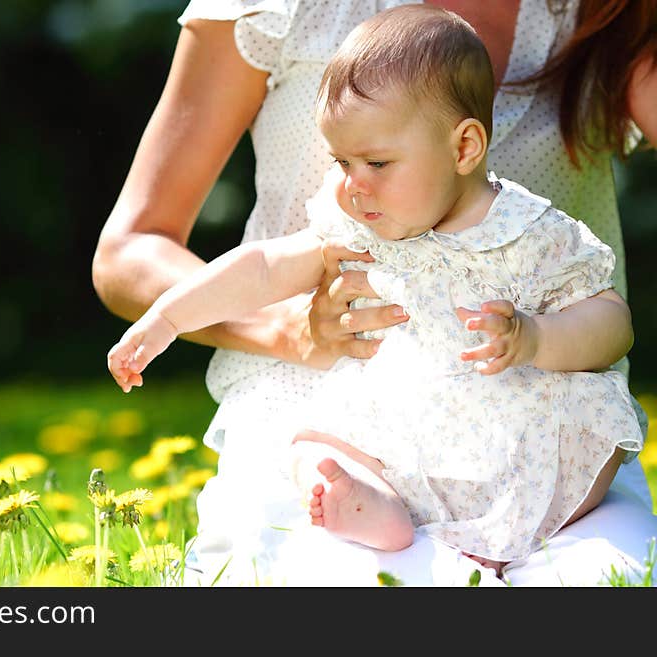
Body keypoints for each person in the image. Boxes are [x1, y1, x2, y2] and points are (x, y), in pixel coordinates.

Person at [92, 0, 657, 586]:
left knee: (614, 580)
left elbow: (610, 319)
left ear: (465, 148)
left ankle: (517, 534)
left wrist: (538, 336)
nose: (351, 187)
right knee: (318, 459)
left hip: (524, 437)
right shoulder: (360, 225)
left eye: (377, 162)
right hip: (373, 419)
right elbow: (259, 266)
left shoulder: (532, 229)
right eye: (340, 162)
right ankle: (378, 507)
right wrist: (168, 318)